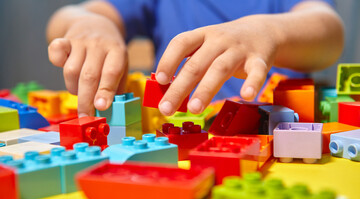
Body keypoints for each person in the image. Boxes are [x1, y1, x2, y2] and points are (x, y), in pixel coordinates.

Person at [46, 0, 344, 117]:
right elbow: (70, 16)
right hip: (173, 135)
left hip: (270, 132)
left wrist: (271, 32)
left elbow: (330, 32)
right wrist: (90, 25)